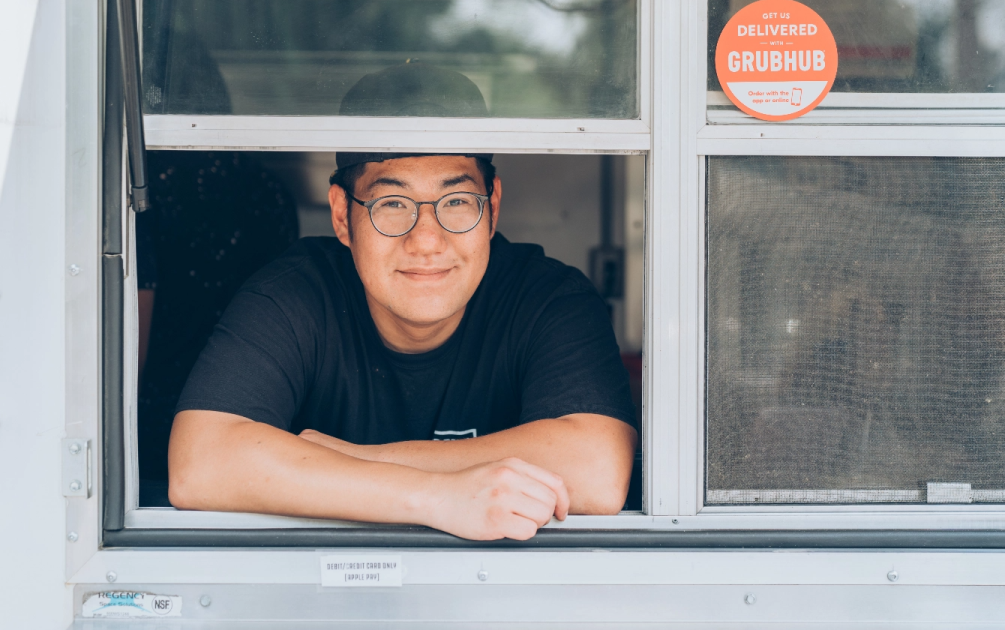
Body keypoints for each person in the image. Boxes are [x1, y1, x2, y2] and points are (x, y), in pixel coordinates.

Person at [167, 62, 637, 541]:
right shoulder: (294, 295)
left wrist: (345, 460)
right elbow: (200, 463)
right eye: (391, 204)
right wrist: (438, 496)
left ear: (491, 208)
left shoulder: (547, 299)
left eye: (455, 202)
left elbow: (597, 469)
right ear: (342, 216)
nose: (427, 241)